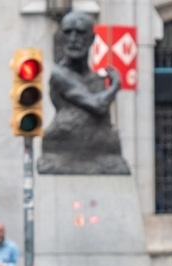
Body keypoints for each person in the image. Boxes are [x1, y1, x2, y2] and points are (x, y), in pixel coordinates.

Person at [37, 11, 130, 175]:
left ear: (92, 39)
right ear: (61, 37)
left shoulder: (97, 79)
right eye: (68, 32)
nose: (73, 39)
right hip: (64, 149)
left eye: (80, 33)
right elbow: (98, 105)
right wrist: (115, 85)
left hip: (101, 150)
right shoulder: (60, 75)